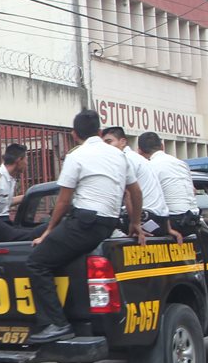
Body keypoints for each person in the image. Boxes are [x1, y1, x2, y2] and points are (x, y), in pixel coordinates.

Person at [27, 110, 144, 344]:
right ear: (100, 132)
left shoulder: (76, 156)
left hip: (85, 222)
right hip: (107, 223)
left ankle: (57, 324)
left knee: (37, 262)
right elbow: (135, 191)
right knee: (69, 259)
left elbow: (63, 200)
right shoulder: (118, 155)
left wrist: (49, 231)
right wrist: (135, 223)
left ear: (74, 135)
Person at [102, 126, 179, 243]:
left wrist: (135, 224)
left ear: (122, 142)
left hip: (147, 220)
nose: (106, 147)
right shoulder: (140, 159)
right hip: (159, 220)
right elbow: (159, 194)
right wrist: (167, 227)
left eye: (109, 141)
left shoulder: (125, 159)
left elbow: (129, 194)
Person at [0, 143, 45, 242]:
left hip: (4, 223)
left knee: (40, 229)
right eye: (26, 159)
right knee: (36, 234)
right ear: (19, 160)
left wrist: (30, 196)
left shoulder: (10, 178)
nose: (27, 163)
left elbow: (6, 201)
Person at [137, 131, 200, 238]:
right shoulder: (182, 164)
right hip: (194, 220)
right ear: (162, 146)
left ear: (139, 151)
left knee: (137, 228)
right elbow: (193, 190)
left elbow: (143, 196)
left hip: (172, 222)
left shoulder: (148, 166)